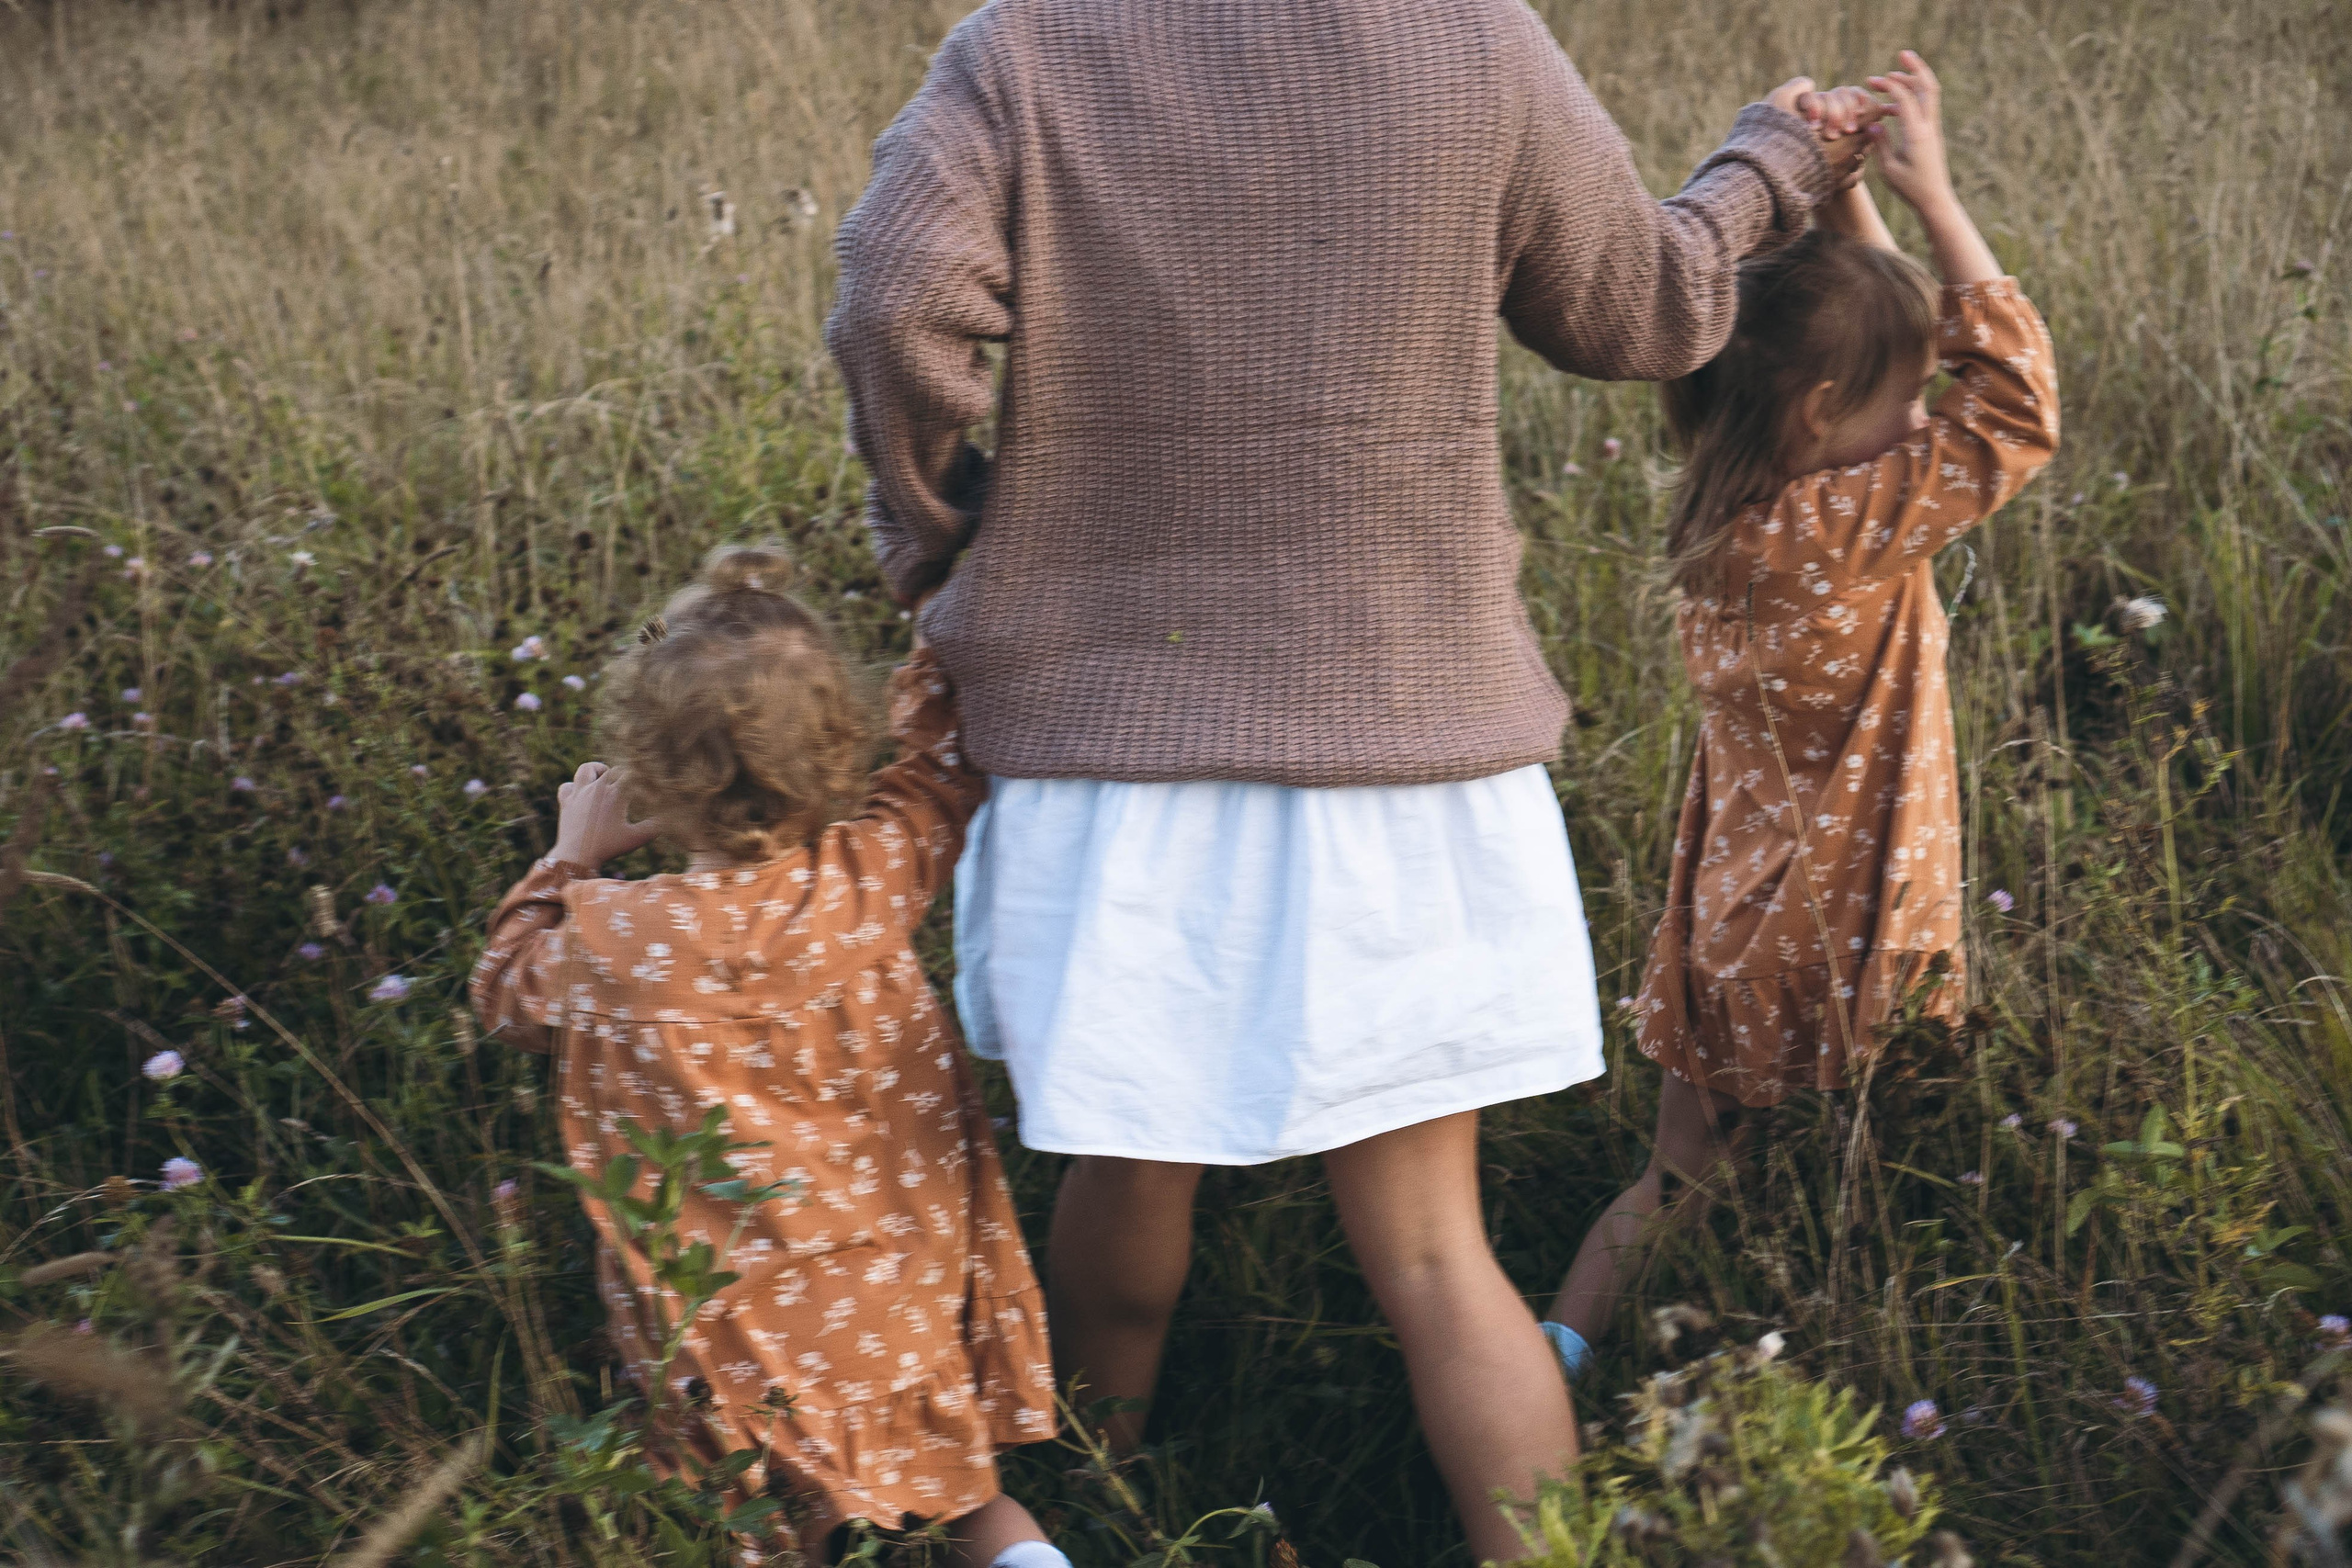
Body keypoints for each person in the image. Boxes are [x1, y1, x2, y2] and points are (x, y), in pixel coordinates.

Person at [825, 0, 1876, 1553]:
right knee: (1442, 1257)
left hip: (1118, 749)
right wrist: (1769, 166)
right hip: (1405, 736)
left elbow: (897, 296)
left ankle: (1110, 1510)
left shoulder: (1027, 45)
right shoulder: (1474, 43)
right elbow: (1644, 310)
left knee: (1126, 1185)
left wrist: (942, 529)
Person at [1542, 53, 2061, 1379]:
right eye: (1900, 404)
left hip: (1732, 928)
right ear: (1827, 415)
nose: (1919, 421)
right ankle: (1831, 1381)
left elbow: (1868, 356)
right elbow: (2014, 408)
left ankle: (1555, 1351)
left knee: (1675, 1182)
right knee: (1865, 1194)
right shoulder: (1852, 527)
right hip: (1854, 932)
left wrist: (1837, 205)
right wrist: (1932, 200)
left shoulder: (1731, 512)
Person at [469, 545, 1069, 1568]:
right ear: (838, 747)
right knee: (971, 1503)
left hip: (735, 1338)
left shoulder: (618, 939)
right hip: (894, 1299)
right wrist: (938, 619)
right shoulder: (866, 880)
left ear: (650, 770)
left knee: (781, 1531)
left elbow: (501, 993)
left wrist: (572, 853)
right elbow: (941, 771)